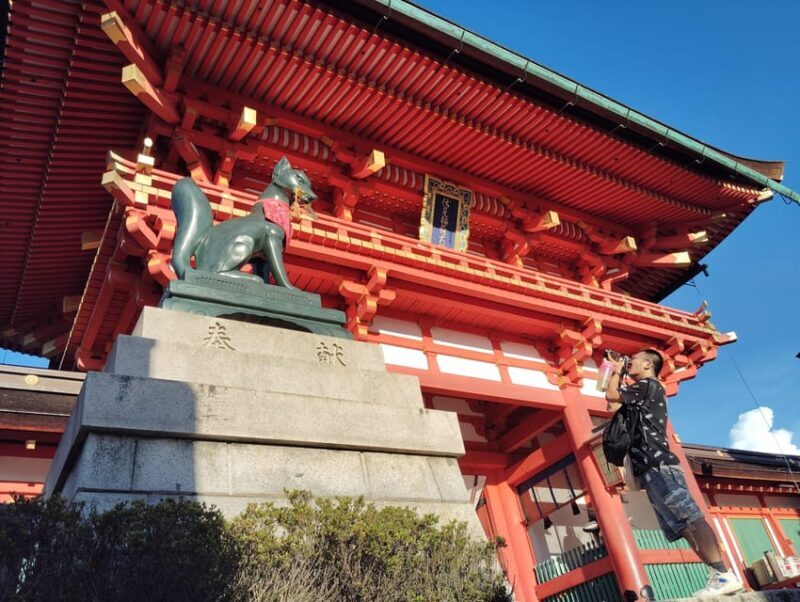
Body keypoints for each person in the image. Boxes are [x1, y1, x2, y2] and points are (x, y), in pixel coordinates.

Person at [605, 349, 745, 598]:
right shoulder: (643, 391)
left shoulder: (649, 384)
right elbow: (612, 402)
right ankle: (719, 575)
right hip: (652, 467)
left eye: (634, 359)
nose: (630, 362)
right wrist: (617, 372)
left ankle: (724, 574)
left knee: (689, 518)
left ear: (648, 364)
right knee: (683, 525)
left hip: (658, 464)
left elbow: (611, 393)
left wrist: (617, 371)